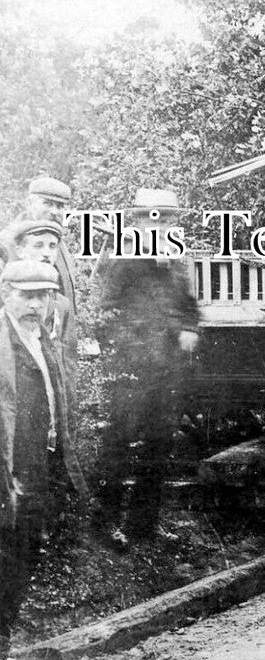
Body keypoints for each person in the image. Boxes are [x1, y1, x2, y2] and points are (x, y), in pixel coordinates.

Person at [93, 189, 199, 547]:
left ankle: (144, 525)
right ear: (137, 221)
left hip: (169, 369)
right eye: (153, 218)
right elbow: (106, 312)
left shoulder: (176, 258)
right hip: (132, 368)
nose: (160, 225)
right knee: (118, 441)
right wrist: (130, 349)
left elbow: (188, 305)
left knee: (159, 443)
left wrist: (189, 328)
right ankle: (105, 523)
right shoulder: (123, 259)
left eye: (167, 218)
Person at [0, 261, 90, 657]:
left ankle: (3, 633)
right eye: (26, 295)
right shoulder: (4, 343)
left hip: (39, 464)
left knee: (26, 550)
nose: (35, 305)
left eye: (43, 296)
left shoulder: (43, 341)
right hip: (8, 467)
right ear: (6, 294)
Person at [3, 178, 79, 403]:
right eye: (48, 203)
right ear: (30, 202)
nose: (54, 211)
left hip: (54, 351)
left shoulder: (59, 246)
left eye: (60, 206)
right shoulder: (8, 242)